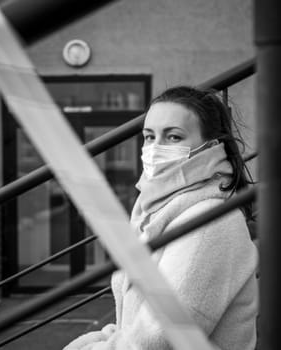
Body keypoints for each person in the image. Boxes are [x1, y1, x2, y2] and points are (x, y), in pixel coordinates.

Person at [64, 86, 258, 350]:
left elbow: (161, 338)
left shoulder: (209, 222)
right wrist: (104, 339)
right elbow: (137, 324)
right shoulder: (158, 207)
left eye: (174, 137)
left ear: (210, 147)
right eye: (149, 136)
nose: (155, 148)